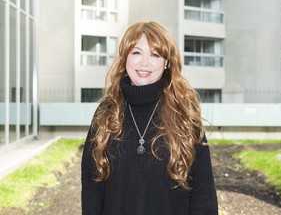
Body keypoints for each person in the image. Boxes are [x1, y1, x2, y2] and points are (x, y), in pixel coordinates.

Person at [81, 21, 218, 215]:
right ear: (125, 58)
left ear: (167, 62)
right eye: (136, 52)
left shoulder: (184, 113)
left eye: (155, 54)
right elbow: (91, 189)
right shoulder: (106, 113)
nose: (144, 62)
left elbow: (204, 192)